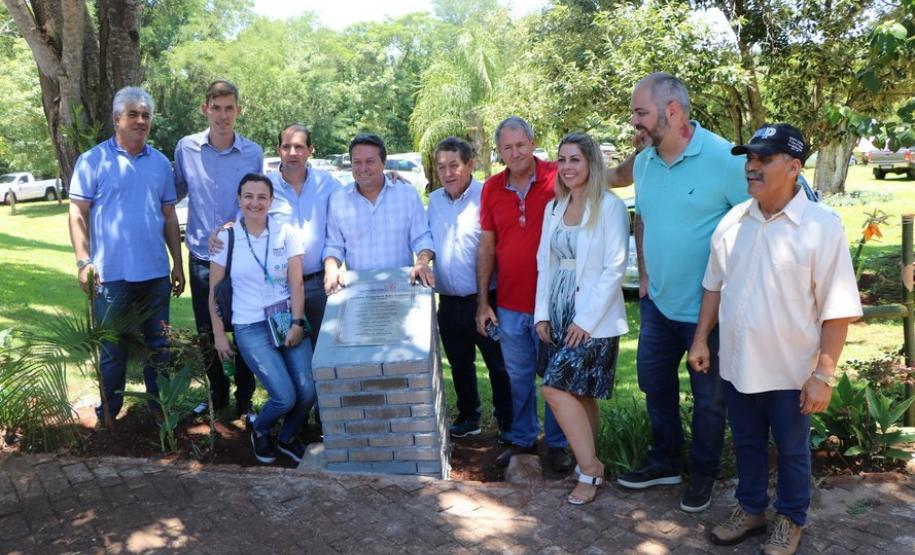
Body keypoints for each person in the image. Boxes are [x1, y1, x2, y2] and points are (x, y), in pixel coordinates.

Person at [688, 124, 862, 555]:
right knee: (746, 444)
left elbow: (837, 308)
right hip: (738, 365)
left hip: (790, 371)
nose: (752, 166)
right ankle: (750, 509)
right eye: (750, 158)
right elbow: (714, 286)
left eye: (764, 159)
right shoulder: (733, 221)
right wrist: (700, 341)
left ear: (794, 167)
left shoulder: (822, 227)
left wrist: (824, 374)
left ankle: (791, 518)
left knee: (790, 451)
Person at [614, 72, 749, 512]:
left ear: (672, 112)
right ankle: (665, 462)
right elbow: (643, 219)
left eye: (640, 112)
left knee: (710, 401)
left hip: (708, 312)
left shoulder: (724, 157)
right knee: (655, 385)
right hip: (658, 305)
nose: (634, 121)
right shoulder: (645, 162)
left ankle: (704, 474)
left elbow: (768, 212)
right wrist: (647, 277)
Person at [476, 117, 635, 472]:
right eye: (507, 147)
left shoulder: (587, 194)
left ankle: (570, 453)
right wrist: (526, 310)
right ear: (499, 151)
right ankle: (538, 445)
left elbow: (614, 265)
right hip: (534, 307)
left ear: (532, 143)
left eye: (521, 144)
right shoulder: (536, 201)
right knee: (537, 381)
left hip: (582, 312)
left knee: (559, 385)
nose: (515, 152)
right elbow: (525, 258)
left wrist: (645, 148)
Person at [68, 86, 184, 426]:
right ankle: (109, 415)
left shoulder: (161, 163)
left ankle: (158, 410)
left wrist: (177, 263)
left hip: (155, 276)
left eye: (146, 115)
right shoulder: (92, 160)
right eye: (133, 114)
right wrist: (83, 262)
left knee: (159, 348)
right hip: (110, 276)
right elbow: (77, 213)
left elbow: (169, 216)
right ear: (117, 118)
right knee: (112, 352)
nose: (140, 120)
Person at [535, 133, 630, 503]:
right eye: (562, 160)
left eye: (575, 159)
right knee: (580, 393)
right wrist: (542, 314)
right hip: (559, 315)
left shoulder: (609, 207)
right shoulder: (555, 208)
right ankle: (585, 463)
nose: (567, 167)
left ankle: (590, 471)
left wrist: (586, 320)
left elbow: (614, 268)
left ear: (591, 162)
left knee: (554, 389)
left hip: (593, 318)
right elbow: (545, 264)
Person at [208, 173, 315, 465]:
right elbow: (214, 292)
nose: (255, 203)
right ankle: (261, 429)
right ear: (239, 200)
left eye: (262, 197)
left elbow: (296, 284)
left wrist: (296, 322)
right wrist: (219, 334)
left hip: (285, 319)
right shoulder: (226, 238)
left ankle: (286, 436)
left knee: (307, 391)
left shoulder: (286, 232)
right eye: (248, 196)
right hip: (250, 326)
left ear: (271, 201)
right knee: (284, 396)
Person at [175, 80, 263, 418]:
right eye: (216, 108)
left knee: (243, 327)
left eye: (229, 108)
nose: (223, 116)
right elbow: (175, 191)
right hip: (200, 255)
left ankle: (244, 399)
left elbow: (258, 200)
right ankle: (217, 394)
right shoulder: (186, 148)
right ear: (205, 109)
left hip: (241, 256)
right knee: (205, 330)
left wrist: (234, 224)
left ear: (238, 111)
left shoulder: (253, 152)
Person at [427, 137, 512, 441]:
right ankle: (469, 417)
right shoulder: (434, 201)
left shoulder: (487, 195)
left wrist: (484, 301)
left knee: (499, 366)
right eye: (441, 167)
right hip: (449, 302)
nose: (447, 173)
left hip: (487, 300)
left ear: (470, 164)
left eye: (454, 165)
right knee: (460, 365)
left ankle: (509, 422)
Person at [323, 133, 435, 290]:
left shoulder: (406, 194)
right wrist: (331, 269)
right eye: (357, 162)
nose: (363, 168)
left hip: (401, 289)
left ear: (383, 163)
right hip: (358, 292)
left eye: (370, 161)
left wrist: (422, 262)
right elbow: (334, 245)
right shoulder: (338, 200)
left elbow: (422, 237)